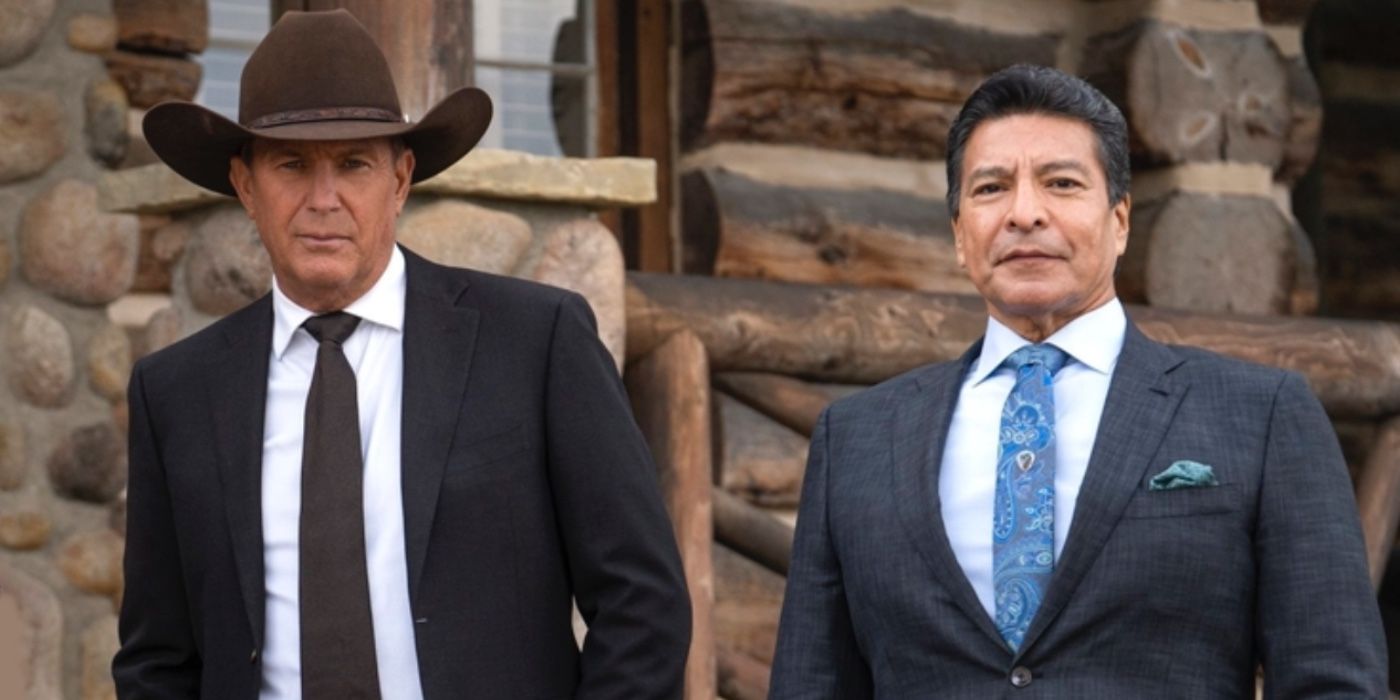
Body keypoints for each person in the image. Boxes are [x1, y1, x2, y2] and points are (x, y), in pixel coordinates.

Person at [113, 10, 690, 700]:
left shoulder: (535, 343)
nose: (323, 200)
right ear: (245, 185)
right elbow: (156, 659)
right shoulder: (176, 390)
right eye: (292, 165)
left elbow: (643, 603)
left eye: (353, 163)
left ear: (401, 177)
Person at [769, 64, 1386, 697]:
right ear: (960, 235)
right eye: (990, 189)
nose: (1025, 214)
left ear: (1119, 221)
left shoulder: (1261, 415)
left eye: (1061, 183)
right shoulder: (857, 438)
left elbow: (1331, 681)